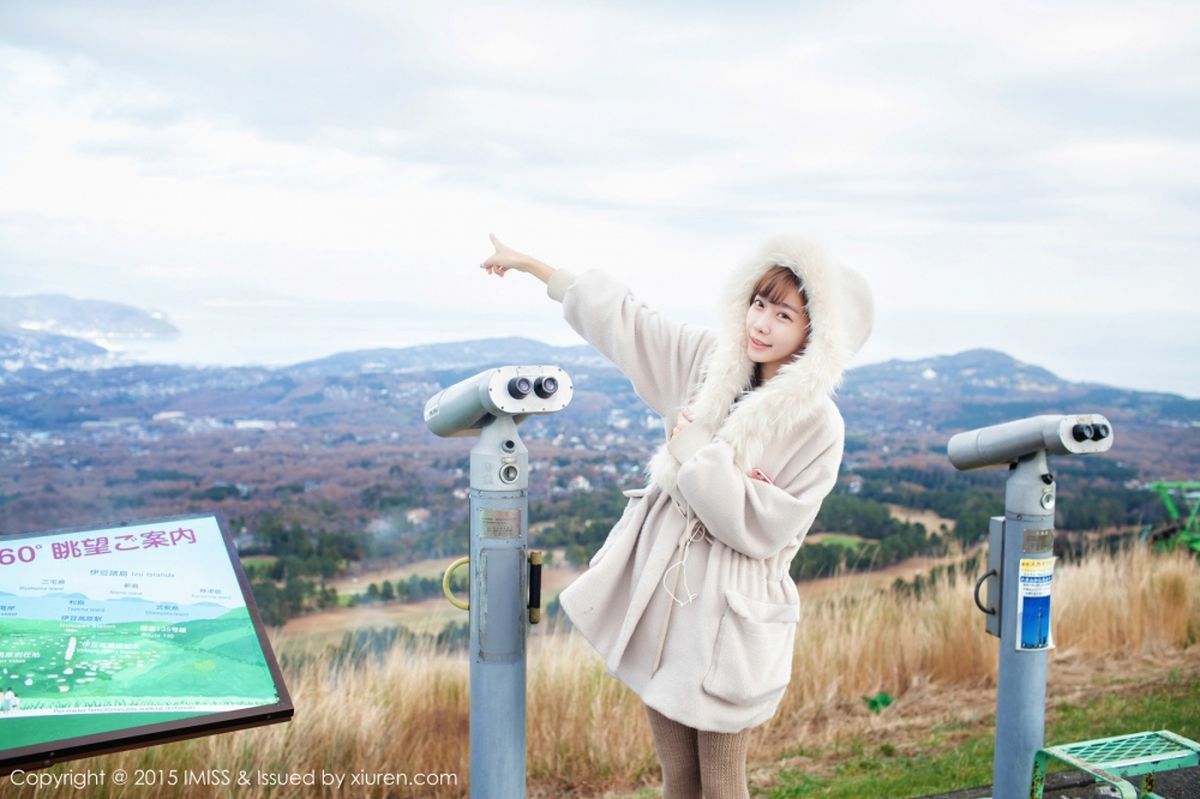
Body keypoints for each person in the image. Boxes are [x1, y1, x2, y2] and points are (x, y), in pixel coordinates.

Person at [480, 233, 873, 799]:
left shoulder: (818, 426)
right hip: (667, 607)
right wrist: (534, 267)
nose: (760, 323)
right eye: (758, 303)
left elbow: (762, 528)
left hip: (731, 624)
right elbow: (629, 324)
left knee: (721, 783)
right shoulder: (709, 364)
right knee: (679, 780)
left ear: (817, 335)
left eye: (783, 314)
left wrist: (695, 450)